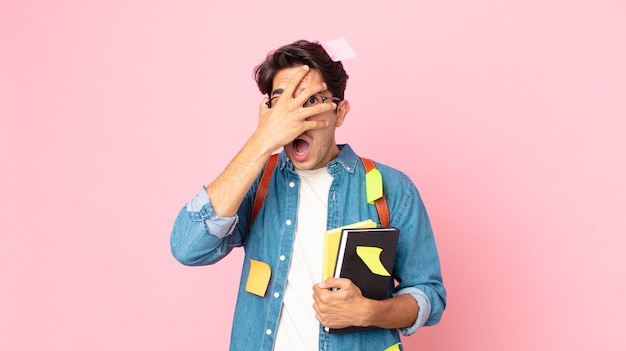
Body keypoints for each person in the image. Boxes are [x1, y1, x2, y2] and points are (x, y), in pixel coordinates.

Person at [170, 39, 446, 351]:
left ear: (339, 112)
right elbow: (187, 247)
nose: (296, 117)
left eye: (311, 100)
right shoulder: (255, 183)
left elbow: (429, 293)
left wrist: (371, 311)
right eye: (283, 104)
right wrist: (262, 140)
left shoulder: (392, 188)